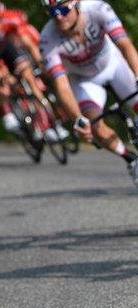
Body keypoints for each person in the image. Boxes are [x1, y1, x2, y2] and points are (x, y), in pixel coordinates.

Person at [39, 0, 138, 186]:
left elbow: (125, 44)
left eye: (63, 9)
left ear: (76, 4)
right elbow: (62, 84)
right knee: (94, 125)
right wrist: (77, 118)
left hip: (113, 64)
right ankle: (130, 158)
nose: (58, 16)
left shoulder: (97, 9)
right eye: (52, 12)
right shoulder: (47, 39)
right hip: (84, 80)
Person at [0, 0, 69, 140]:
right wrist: (1, 80)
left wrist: (43, 64)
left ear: (3, 17)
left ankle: (49, 121)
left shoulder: (13, 20)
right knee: (1, 86)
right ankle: (7, 112)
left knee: (29, 76)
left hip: (7, 49)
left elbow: (30, 45)